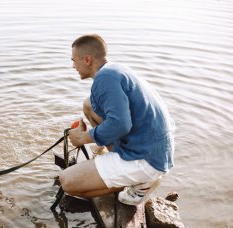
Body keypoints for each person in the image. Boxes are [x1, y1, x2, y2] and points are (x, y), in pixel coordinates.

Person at [59, 34, 175, 205]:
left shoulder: (104, 79)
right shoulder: (114, 69)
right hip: (155, 149)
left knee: (66, 182)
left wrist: (84, 137)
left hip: (146, 159)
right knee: (89, 105)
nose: (73, 66)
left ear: (87, 60)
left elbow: (121, 124)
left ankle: (140, 183)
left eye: (74, 61)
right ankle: (114, 160)